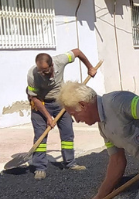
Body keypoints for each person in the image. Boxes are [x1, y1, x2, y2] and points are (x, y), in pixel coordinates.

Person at [27, 49, 95, 180]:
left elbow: (78, 52)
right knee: (41, 135)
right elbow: (34, 98)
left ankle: (70, 163)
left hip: (60, 102)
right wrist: (48, 117)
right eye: (40, 71)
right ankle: (40, 167)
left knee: (67, 132)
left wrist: (90, 67)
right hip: (41, 103)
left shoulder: (60, 60)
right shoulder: (32, 74)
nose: (43, 73)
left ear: (52, 65)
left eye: (45, 70)